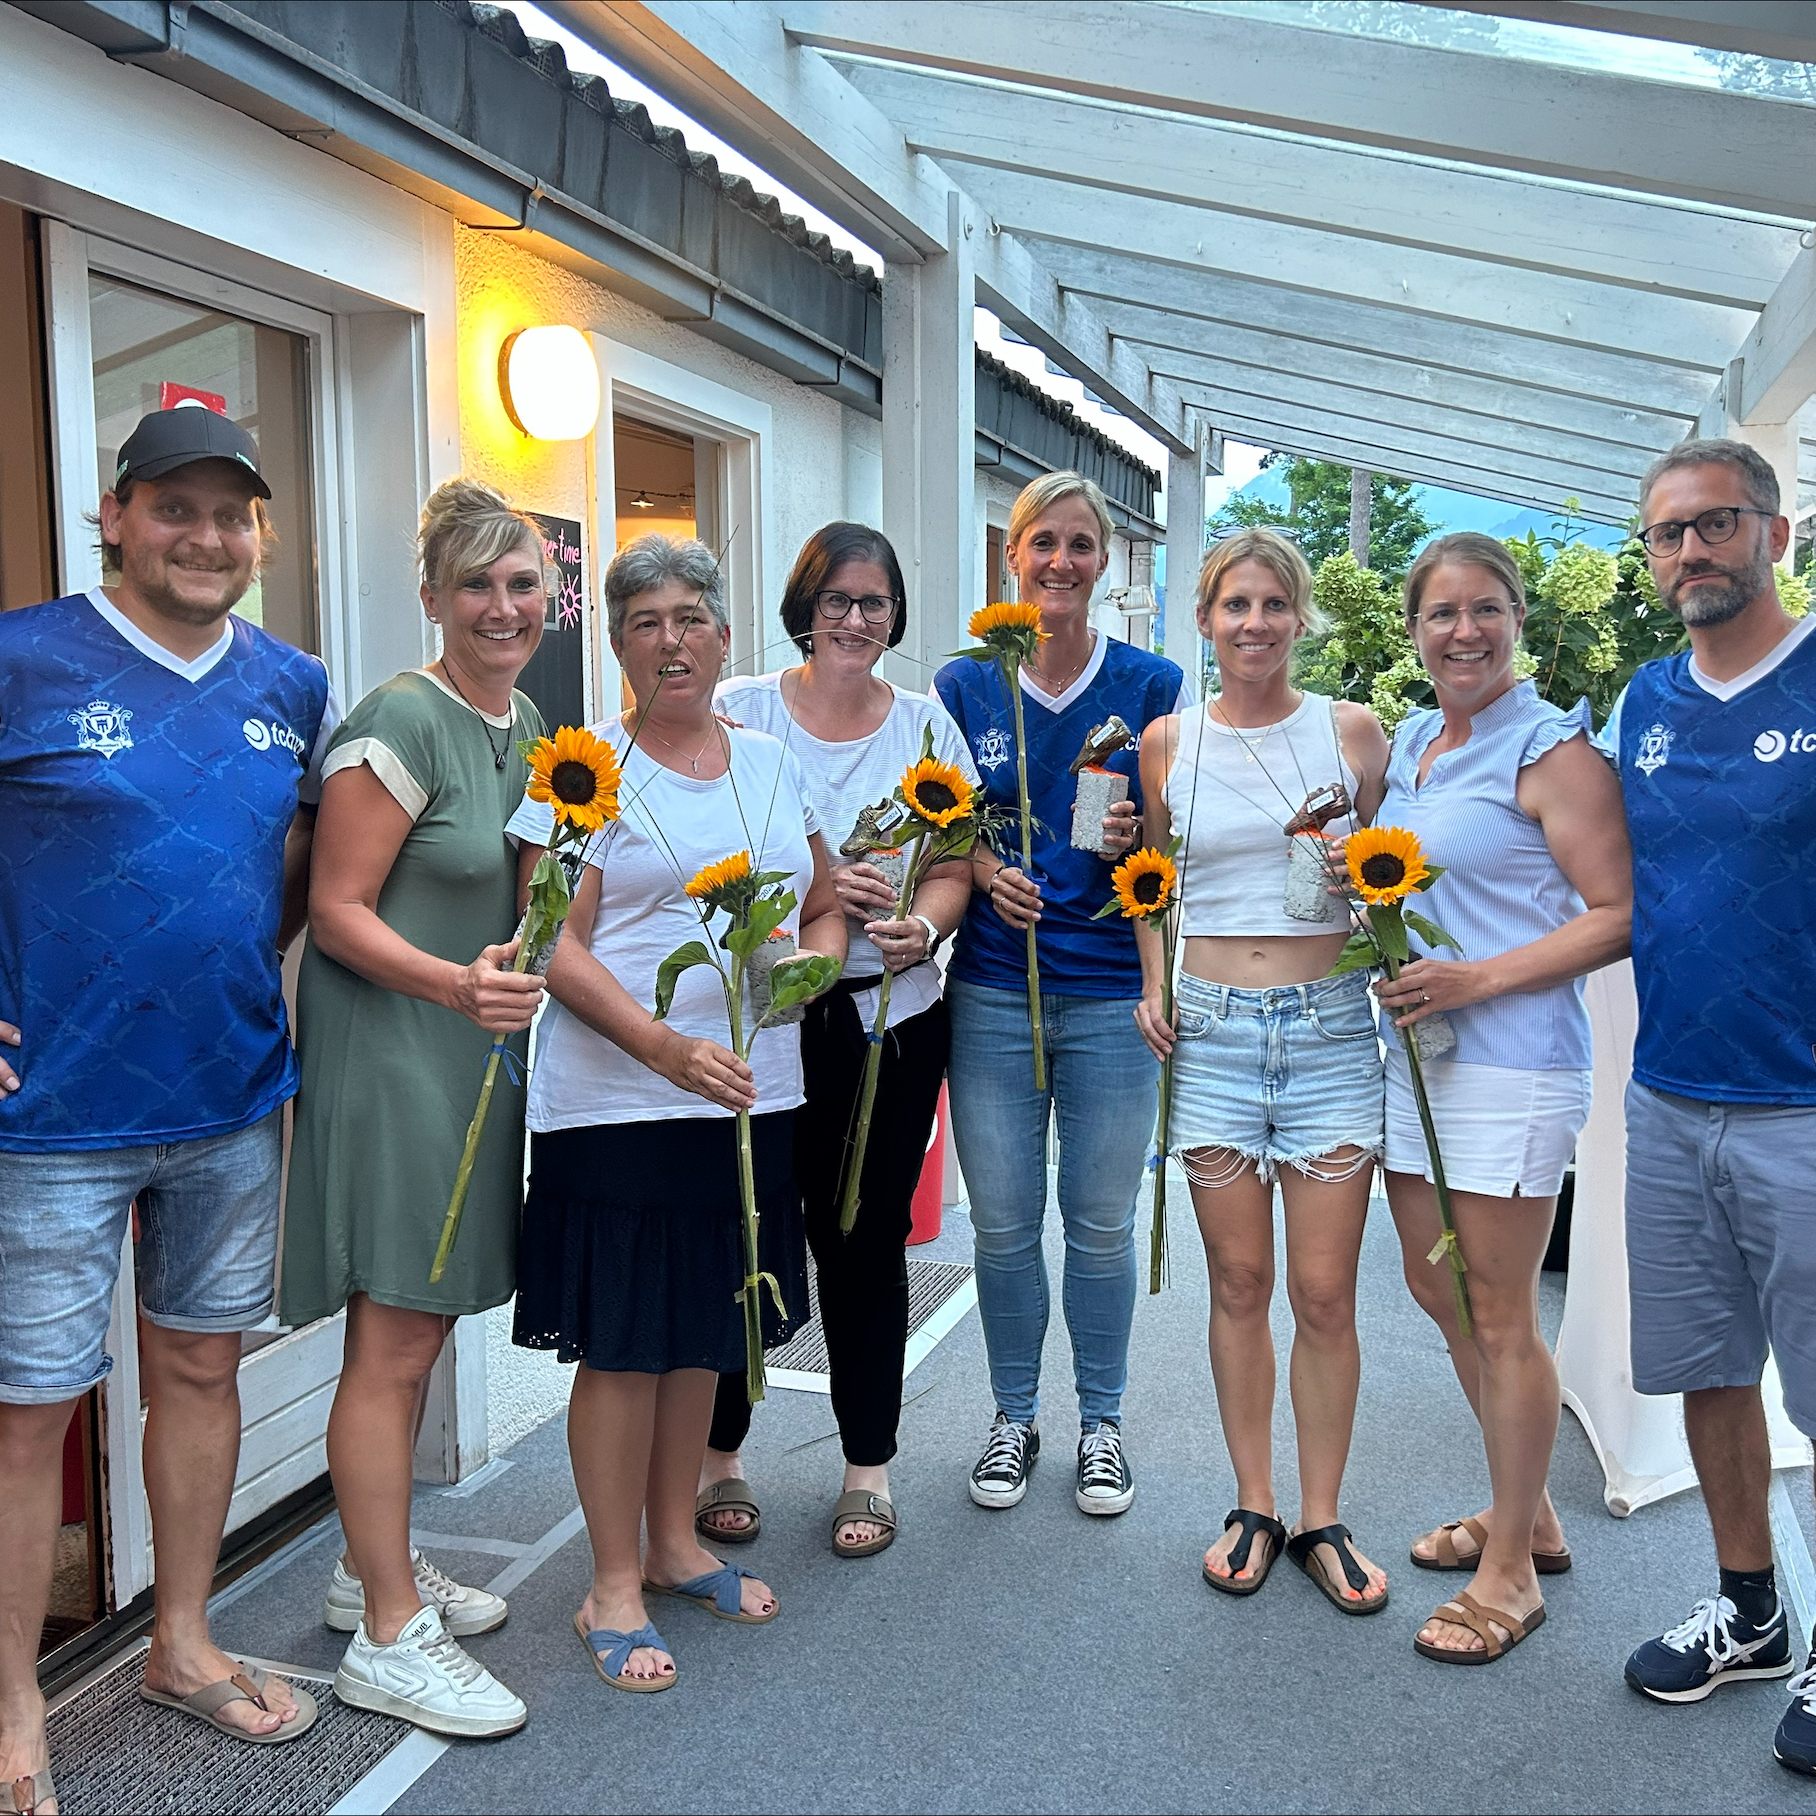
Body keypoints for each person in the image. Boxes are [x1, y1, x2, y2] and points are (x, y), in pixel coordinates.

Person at [0, 408, 334, 1811]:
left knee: (201, 1375)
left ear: (260, 535)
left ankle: (181, 1643)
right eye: (177, 509)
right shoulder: (21, 656)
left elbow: (302, 862)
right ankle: (13, 1696)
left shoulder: (296, 682)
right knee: (29, 1413)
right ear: (116, 516)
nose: (207, 539)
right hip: (52, 1116)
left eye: (232, 516)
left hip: (231, 1099)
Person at [508, 534, 844, 1692]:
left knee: (705, 1323)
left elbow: (822, 902)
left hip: (751, 1096)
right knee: (623, 1341)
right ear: (615, 644)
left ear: (724, 635)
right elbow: (551, 940)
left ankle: (671, 1538)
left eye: (690, 619)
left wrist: (808, 969)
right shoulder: (580, 773)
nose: (671, 641)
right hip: (614, 1104)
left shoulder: (767, 765)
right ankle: (609, 1579)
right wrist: (661, 1045)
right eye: (645, 621)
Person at [279, 480, 552, 1737]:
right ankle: (388, 1635)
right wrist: (457, 983)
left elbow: (534, 887)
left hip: (470, 1048)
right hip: (395, 1047)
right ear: (433, 597)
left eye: (523, 584)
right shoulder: (396, 719)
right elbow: (335, 911)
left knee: (425, 1321)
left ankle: (362, 1566)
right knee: (391, 1340)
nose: (502, 607)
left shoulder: (531, 721)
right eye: (478, 585)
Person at [1373, 532, 1630, 1664]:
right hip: (1416, 1065)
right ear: (1414, 629)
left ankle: (1510, 1574)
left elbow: (1617, 911)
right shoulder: (1417, 739)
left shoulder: (1551, 750)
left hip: (1512, 1060)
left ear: (1518, 621)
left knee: (1498, 1312)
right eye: (1441, 614)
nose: (1462, 631)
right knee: (1442, 1301)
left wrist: (1474, 976)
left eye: (1484, 611)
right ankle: (1524, 1509)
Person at [1602, 439, 1816, 1774]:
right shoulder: (1643, 699)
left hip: (1806, 1104)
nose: (1693, 553)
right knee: (1708, 1372)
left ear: (1778, 534)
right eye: (1670, 536)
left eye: (1717, 526)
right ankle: (1755, 1612)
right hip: (1671, 1096)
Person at [1136, 528, 1392, 1614]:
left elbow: (1394, 884)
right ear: (1203, 619)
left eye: (1272, 605)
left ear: (1299, 618)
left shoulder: (1350, 732)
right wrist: (1154, 982)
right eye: (1233, 605)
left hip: (1331, 1027)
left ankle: (1322, 1513)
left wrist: (1367, 882)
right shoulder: (1163, 741)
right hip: (1210, 1033)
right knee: (1238, 1284)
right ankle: (1254, 1501)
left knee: (1324, 1292)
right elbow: (1145, 875)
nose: (1253, 623)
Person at [709, 524, 976, 1557]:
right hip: (759, 1012)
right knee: (745, 1225)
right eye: (835, 600)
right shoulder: (739, 709)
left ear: (895, 613)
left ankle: (867, 1462)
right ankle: (719, 1453)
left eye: (873, 602)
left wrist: (928, 922)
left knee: (861, 1242)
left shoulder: (925, 725)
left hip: (885, 1016)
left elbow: (953, 861)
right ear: (802, 607)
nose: (855, 620)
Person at [934, 470, 1179, 1518]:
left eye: (1082, 545)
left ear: (1107, 562)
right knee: (997, 1224)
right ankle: (1012, 1415)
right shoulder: (962, 684)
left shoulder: (1151, 684)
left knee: (1099, 1222)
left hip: (1109, 993)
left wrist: (1140, 841)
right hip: (991, 989)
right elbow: (937, 824)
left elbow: (1175, 847)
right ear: (1011, 554)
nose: (1060, 564)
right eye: (1043, 544)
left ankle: (1101, 1425)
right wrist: (985, 871)